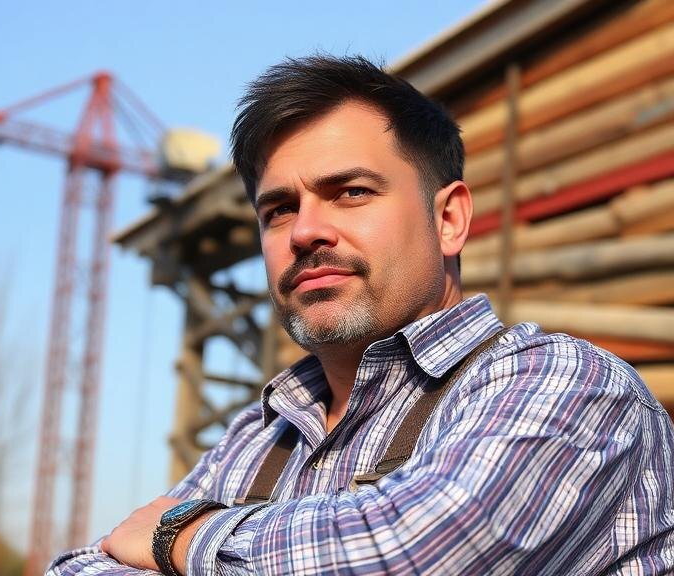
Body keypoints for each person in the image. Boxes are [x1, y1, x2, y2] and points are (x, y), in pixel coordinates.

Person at [48, 55, 674, 575]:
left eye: (351, 192)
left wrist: (180, 537)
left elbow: (416, 550)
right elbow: (84, 566)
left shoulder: (566, 383)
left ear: (449, 219)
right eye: (278, 210)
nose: (305, 232)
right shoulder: (262, 435)